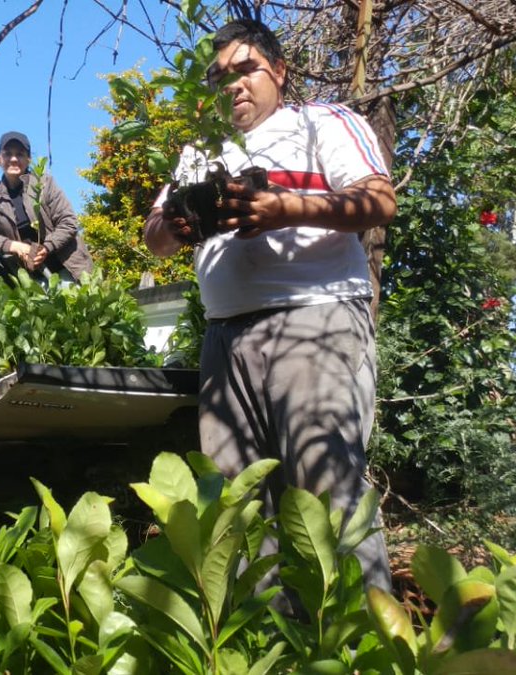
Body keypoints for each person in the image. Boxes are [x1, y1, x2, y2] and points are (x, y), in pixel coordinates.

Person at [144, 19, 397, 592]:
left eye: (244, 70)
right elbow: (154, 236)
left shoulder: (319, 122)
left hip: (314, 322)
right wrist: (177, 225)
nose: (232, 85)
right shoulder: (199, 152)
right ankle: (267, 646)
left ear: (278, 71)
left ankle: (364, 647)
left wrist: (283, 208)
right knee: (235, 507)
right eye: (219, 77)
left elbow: (380, 199)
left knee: (327, 496)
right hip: (224, 340)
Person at [0, 131, 94, 283]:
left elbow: (68, 222)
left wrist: (46, 248)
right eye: (7, 154)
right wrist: (16, 246)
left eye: (20, 154)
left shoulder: (45, 184)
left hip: (68, 271)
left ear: (28, 159)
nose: (14, 159)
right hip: (31, 281)